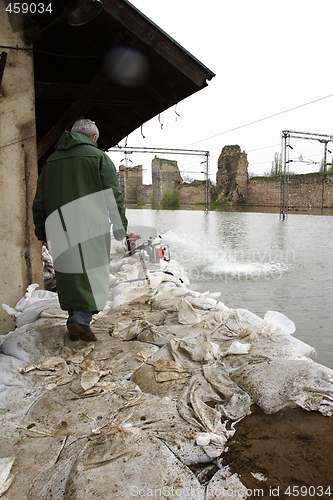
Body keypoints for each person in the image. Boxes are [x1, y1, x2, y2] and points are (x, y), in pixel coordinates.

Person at [32, 119, 128, 342]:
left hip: (59, 228)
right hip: (91, 227)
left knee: (70, 275)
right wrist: (120, 227)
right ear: (93, 137)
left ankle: (76, 320)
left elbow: (39, 201)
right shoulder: (99, 158)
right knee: (92, 274)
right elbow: (113, 196)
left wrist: (41, 231)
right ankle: (81, 320)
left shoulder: (52, 161)